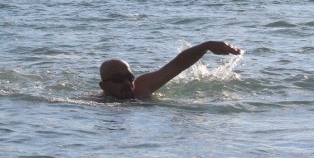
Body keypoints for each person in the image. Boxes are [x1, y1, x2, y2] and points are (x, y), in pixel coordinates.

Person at [99, 41, 241, 100]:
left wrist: (206, 46)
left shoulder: (140, 87)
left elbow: (177, 65)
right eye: (118, 79)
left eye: (130, 78)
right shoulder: (97, 104)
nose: (127, 83)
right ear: (103, 86)